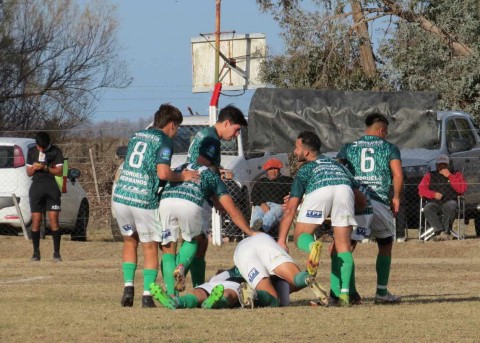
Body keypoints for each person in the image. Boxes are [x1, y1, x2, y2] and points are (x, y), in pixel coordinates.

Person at [112, 104, 198, 308]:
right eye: (177, 128)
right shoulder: (165, 141)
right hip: (143, 198)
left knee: (129, 241)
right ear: (171, 125)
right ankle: (147, 295)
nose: (176, 133)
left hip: (122, 195)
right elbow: (163, 173)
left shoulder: (137, 135)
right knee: (150, 246)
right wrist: (182, 176)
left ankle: (128, 287)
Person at [277, 131, 364, 307]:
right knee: (342, 247)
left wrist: (281, 240)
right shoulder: (339, 165)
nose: (295, 152)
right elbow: (360, 199)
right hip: (344, 190)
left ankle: (312, 246)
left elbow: (291, 209)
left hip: (319, 189)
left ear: (306, 152)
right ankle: (345, 296)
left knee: (301, 234)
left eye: (297, 147)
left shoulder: (306, 169)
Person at [158, 162, 256, 296]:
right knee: (196, 241)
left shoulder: (184, 166)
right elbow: (231, 209)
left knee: (168, 250)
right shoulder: (212, 177)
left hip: (166, 202)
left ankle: (172, 294)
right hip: (191, 205)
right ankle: (185, 272)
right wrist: (249, 231)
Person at [337, 113, 403, 304]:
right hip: (379, 201)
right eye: (386, 131)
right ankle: (381, 292)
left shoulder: (349, 147)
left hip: (357, 200)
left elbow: (338, 168)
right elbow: (397, 175)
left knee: (347, 246)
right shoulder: (389, 147)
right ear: (382, 130)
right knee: (385, 244)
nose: (386, 134)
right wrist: (396, 197)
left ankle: (346, 292)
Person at [186, 104, 248, 287]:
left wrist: (217, 171)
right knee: (196, 239)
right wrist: (216, 173)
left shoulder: (204, 134)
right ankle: (180, 273)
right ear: (227, 123)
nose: (236, 134)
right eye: (236, 130)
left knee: (200, 240)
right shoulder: (212, 139)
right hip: (198, 193)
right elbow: (202, 163)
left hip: (191, 190)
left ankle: (197, 285)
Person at [234, 232, 329, 308]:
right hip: (263, 239)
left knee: (274, 300)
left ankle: (253, 293)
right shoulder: (283, 286)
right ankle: (305, 277)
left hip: (243, 250)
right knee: (295, 278)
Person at [26, 131, 65, 262]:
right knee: (36, 220)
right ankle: (36, 253)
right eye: (38, 146)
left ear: (47, 144)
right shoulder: (31, 151)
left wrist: (46, 168)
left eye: (42, 147)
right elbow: (29, 172)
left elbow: (59, 172)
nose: (40, 149)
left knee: (53, 219)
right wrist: (35, 168)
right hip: (36, 187)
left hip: (51, 187)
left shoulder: (56, 151)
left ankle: (57, 253)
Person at [418, 154, 467, 240]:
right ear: (436, 165)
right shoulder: (429, 175)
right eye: (440, 164)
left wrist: (450, 176)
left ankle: (446, 231)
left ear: (448, 164)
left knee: (451, 205)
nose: (442, 166)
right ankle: (440, 232)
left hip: (450, 201)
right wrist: (433, 194)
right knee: (428, 208)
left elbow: (462, 189)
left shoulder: (456, 174)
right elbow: (421, 189)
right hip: (434, 202)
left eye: (444, 164)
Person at [250, 158, 293, 233]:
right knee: (257, 211)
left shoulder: (287, 181)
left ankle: (259, 231)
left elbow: (295, 193)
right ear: (266, 171)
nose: (273, 171)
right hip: (262, 204)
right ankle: (253, 230)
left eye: (275, 169)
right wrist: (261, 203)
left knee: (272, 213)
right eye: (270, 169)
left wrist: (290, 199)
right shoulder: (261, 182)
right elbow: (254, 195)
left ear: (279, 170)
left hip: (279, 205)